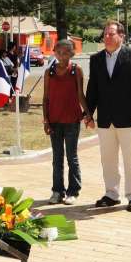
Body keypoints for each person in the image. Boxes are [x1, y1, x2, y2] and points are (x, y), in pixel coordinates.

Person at [86, 20, 131, 213]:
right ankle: (111, 194)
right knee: (108, 159)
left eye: (111, 34)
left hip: (129, 120)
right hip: (105, 120)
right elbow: (92, 90)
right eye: (104, 34)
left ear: (121, 36)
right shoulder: (96, 59)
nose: (106, 37)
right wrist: (88, 115)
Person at [43, 39, 92, 206]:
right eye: (59, 52)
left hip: (72, 120)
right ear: (54, 53)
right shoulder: (49, 72)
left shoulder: (76, 71)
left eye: (65, 53)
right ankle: (57, 191)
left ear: (72, 54)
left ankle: (73, 191)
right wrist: (45, 120)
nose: (62, 56)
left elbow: (80, 94)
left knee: (72, 157)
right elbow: (46, 98)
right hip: (54, 121)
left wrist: (88, 114)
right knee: (57, 158)